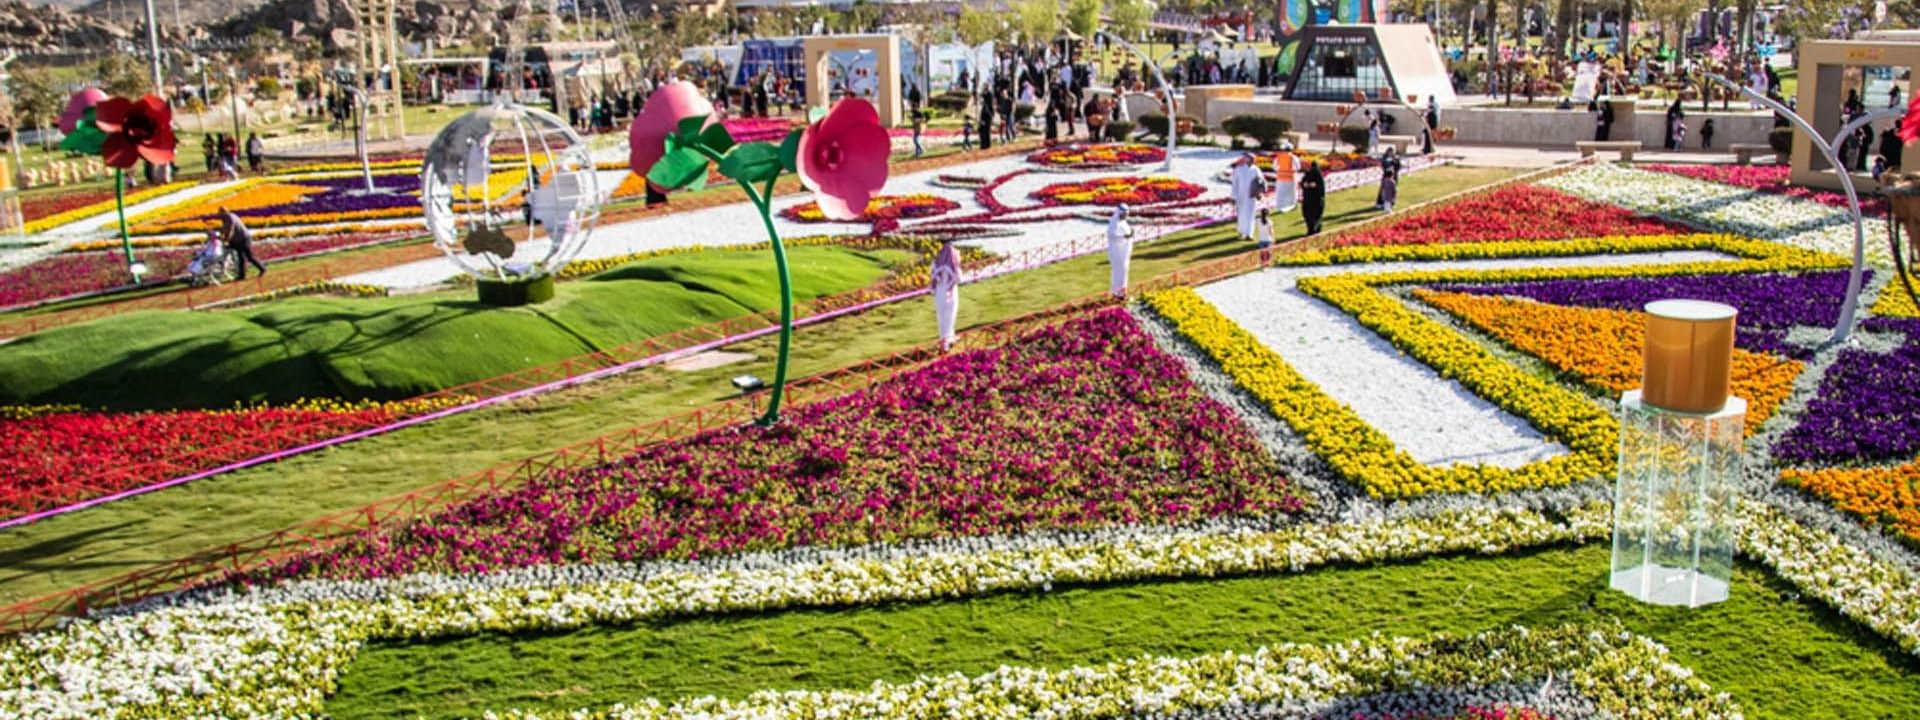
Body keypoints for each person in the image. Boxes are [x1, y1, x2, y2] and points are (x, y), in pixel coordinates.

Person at [219, 207, 266, 278]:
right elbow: (224, 228)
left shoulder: (230, 217)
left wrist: (226, 240)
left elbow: (230, 230)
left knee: (249, 256)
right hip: (237, 240)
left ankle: (262, 268)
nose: (220, 215)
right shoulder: (226, 218)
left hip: (244, 238)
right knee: (241, 257)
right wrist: (222, 235)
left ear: (224, 212)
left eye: (221, 213)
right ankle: (242, 275)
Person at [1230, 153, 1264, 241]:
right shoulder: (1238, 169)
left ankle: (1249, 234)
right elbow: (1235, 184)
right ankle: (1241, 232)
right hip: (1240, 195)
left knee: (1250, 214)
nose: (1252, 160)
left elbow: (1261, 182)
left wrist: (1259, 192)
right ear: (1246, 159)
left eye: (1253, 159)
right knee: (1241, 214)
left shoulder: (1256, 169)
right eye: (1250, 158)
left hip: (1251, 196)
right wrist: (1233, 197)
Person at [1106, 203, 1133, 298]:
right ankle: (1118, 294)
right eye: (1124, 214)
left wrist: (1129, 235)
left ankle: (1122, 291)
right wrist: (1125, 236)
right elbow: (1112, 236)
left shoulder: (1123, 222)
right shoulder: (1114, 223)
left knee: (1124, 271)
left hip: (1124, 253)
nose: (1126, 216)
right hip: (1117, 253)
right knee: (1119, 272)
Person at [1271, 141, 1299, 213]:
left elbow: (1274, 167)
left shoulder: (1279, 157)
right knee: (1291, 194)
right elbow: (1297, 167)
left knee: (1280, 193)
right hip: (1290, 178)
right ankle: (1291, 206)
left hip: (1280, 178)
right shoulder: (1293, 157)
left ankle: (1280, 207)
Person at [1300, 161, 1325, 235]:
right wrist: (1305, 185)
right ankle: (1311, 229)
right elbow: (1303, 183)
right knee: (1308, 214)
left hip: (1316, 199)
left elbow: (1319, 186)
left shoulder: (1317, 176)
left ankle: (1315, 228)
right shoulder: (1307, 175)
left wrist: (1312, 185)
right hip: (1308, 199)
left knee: (1315, 215)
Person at [1375, 147, 1401, 212]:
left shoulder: (1396, 158)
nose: (1391, 153)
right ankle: (1380, 203)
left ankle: (1392, 202)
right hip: (1386, 176)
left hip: (1394, 176)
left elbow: (1398, 166)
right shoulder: (1384, 158)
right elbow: (1384, 165)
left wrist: (1395, 161)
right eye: (1390, 152)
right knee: (1383, 190)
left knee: (1393, 190)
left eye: (1392, 152)